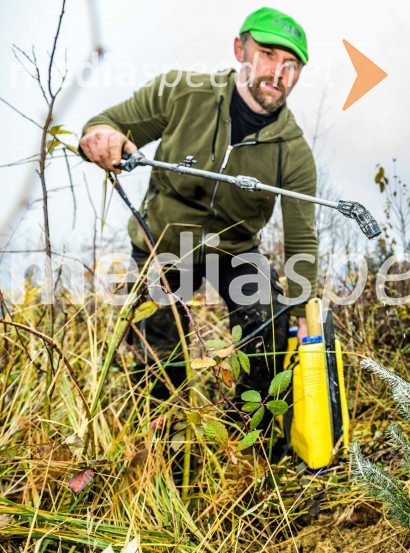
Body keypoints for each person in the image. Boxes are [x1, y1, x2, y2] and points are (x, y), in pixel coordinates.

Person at [78, 7, 318, 411]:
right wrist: (99, 137)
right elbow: (106, 122)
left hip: (234, 250)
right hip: (164, 244)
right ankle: (160, 450)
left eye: (291, 64)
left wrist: (303, 307)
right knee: (158, 356)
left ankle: (247, 437)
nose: (279, 72)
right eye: (268, 55)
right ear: (240, 49)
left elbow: (301, 236)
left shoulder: (293, 151)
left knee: (269, 321)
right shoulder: (183, 93)